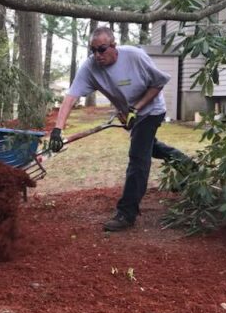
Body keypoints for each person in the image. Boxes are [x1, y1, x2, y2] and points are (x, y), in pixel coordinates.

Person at [49, 26, 192, 232]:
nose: (97, 55)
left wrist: (136, 108)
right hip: (128, 114)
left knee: (137, 157)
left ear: (113, 45)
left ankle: (127, 213)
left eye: (102, 49)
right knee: (149, 148)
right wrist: (57, 129)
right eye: (93, 50)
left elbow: (158, 83)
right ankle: (189, 167)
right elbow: (71, 98)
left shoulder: (135, 56)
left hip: (151, 110)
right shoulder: (90, 67)